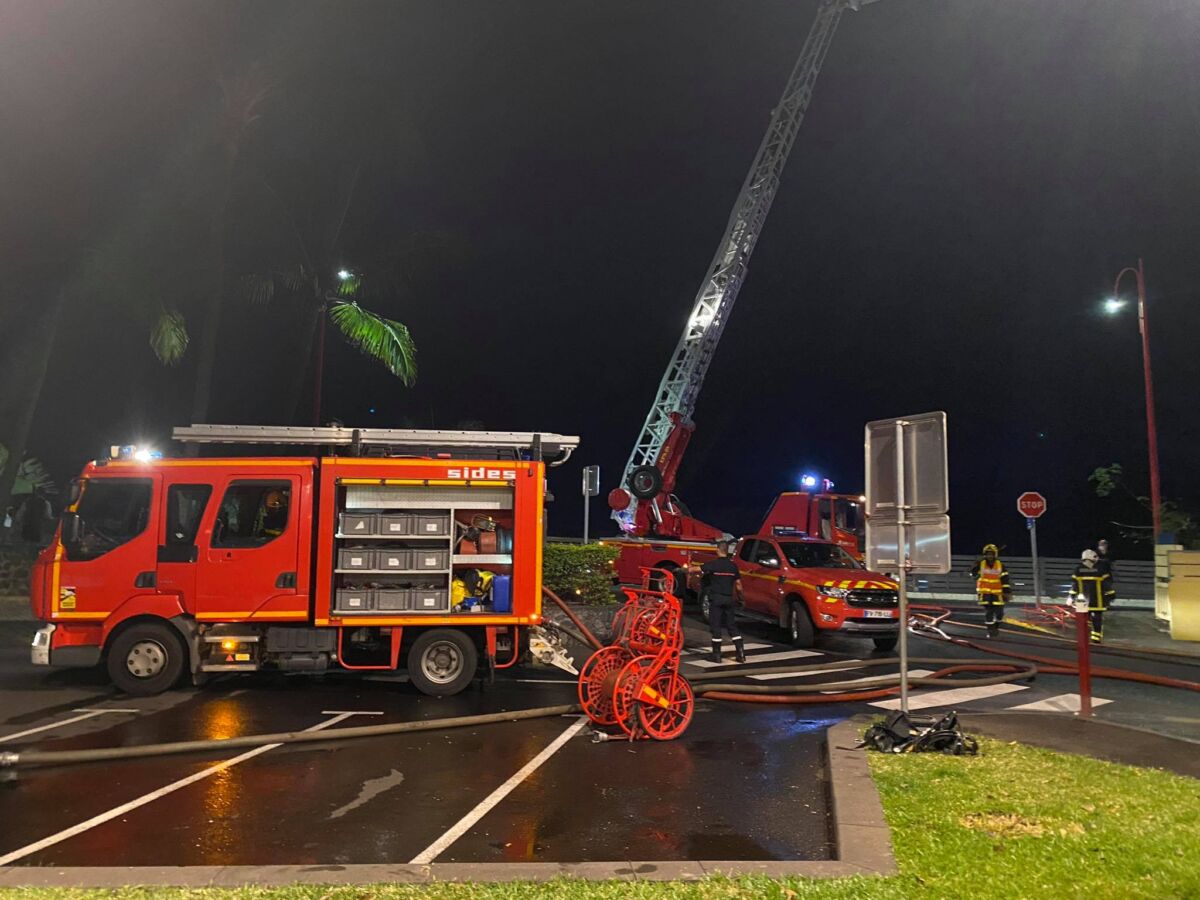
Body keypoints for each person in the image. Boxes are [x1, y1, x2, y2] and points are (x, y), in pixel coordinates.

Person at [696, 540, 745, 663]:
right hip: (729, 599)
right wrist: (741, 599)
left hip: (716, 599)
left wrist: (682, 570)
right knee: (731, 626)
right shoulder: (733, 566)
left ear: (718, 550)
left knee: (716, 626)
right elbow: (738, 585)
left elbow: (696, 569)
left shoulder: (714, 564)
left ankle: (716, 655)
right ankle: (741, 654)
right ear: (727, 551)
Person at [969, 543, 1011, 638]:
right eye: (988, 554)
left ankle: (996, 626)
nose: (990, 556)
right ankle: (990, 630)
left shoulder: (1000, 565)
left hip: (998, 593)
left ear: (995, 554)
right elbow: (973, 575)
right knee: (989, 612)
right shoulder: (980, 564)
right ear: (985, 554)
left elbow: (1005, 579)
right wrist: (974, 568)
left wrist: (1007, 592)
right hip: (985, 593)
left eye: (991, 554)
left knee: (1000, 613)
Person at [1073, 549, 1113, 643]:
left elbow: (1074, 585)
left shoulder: (1077, 570)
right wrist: (1111, 594)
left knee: (1083, 619)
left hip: (1082, 600)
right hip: (1097, 600)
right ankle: (1096, 638)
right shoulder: (1100, 570)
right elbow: (1106, 585)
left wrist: (1071, 597)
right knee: (1097, 619)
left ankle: (1083, 638)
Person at [1096, 539, 1117, 609]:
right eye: (1101, 544)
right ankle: (1099, 603)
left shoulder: (1110, 553)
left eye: (1104, 544)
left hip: (1107, 575)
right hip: (1097, 575)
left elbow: (1112, 563)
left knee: (1107, 589)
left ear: (1106, 545)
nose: (1102, 545)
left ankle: (1107, 603)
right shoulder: (1096, 553)